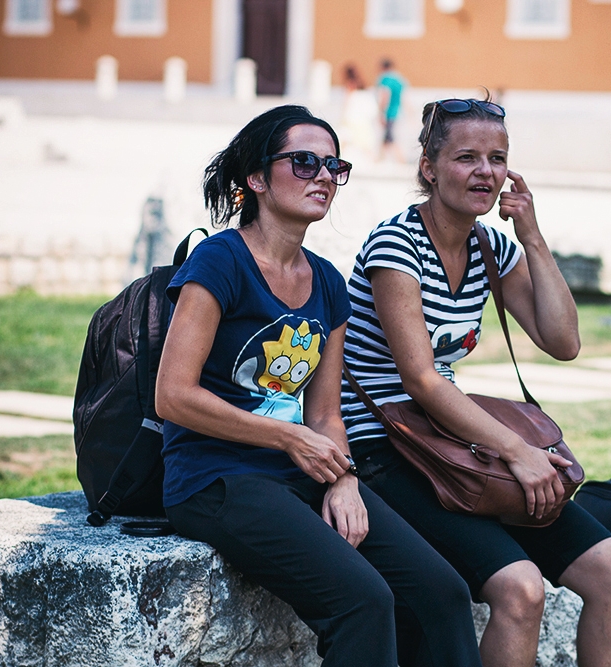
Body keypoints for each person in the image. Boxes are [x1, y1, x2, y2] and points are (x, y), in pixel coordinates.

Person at [155, 105, 483, 667]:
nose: (324, 176)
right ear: (257, 179)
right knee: (363, 601)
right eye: (304, 162)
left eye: (334, 165)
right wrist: (287, 438)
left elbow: (326, 414)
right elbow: (173, 395)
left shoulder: (328, 282)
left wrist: (345, 479)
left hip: (301, 469)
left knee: (443, 593)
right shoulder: (220, 261)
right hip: (215, 477)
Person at [341, 97, 611, 667]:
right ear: (429, 167)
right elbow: (421, 380)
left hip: (448, 439)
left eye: (497, 158)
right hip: (382, 445)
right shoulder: (396, 246)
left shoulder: (490, 245)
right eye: (466, 157)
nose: (485, 171)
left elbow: (563, 341)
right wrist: (519, 452)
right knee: (520, 589)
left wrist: (532, 235)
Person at [376, 58, 407, 163]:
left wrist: (381, 112)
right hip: (398, 112)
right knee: (387, 136)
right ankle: (380, 158)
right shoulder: (399, 80)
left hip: (389, 112)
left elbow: (385, 95)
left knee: (390, 136)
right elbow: (404, 97)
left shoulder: (385, 79)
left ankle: (400, 159)